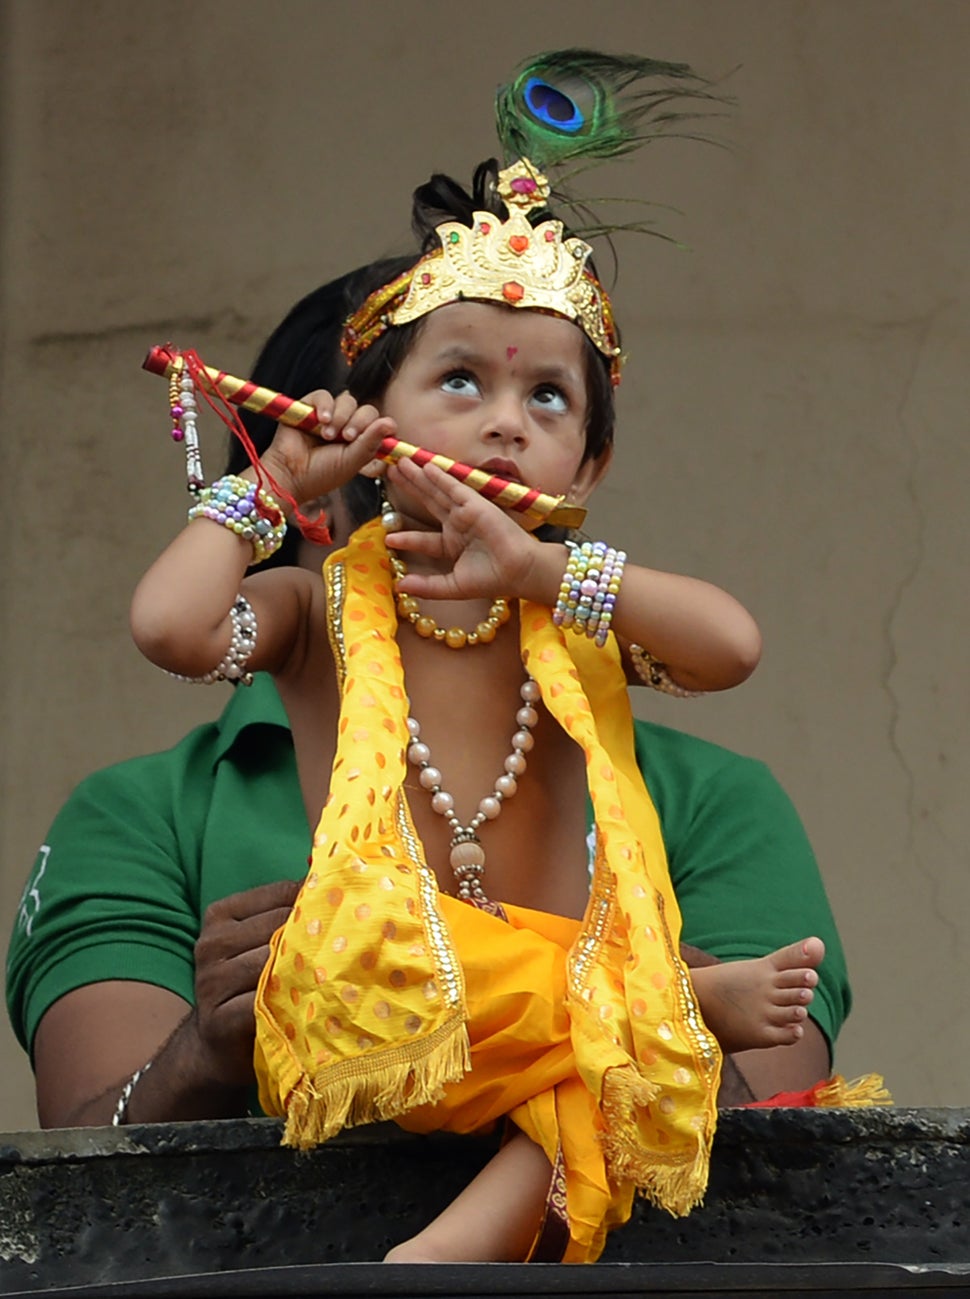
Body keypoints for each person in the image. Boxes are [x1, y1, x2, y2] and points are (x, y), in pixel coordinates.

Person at [123, 104, 847, 1258]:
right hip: (383, 996)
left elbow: (733, 646)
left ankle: (435, 1264)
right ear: (374, 421)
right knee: (638, 1020)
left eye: (547, 401)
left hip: (531, 1041)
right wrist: (275, 487)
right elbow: (169, 625)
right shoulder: (321, 612)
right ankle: (671, 1001)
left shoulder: (572, 612)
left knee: (614, 1085)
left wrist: (546, 573)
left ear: (591, 462)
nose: (505, 424)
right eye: (460, 382)